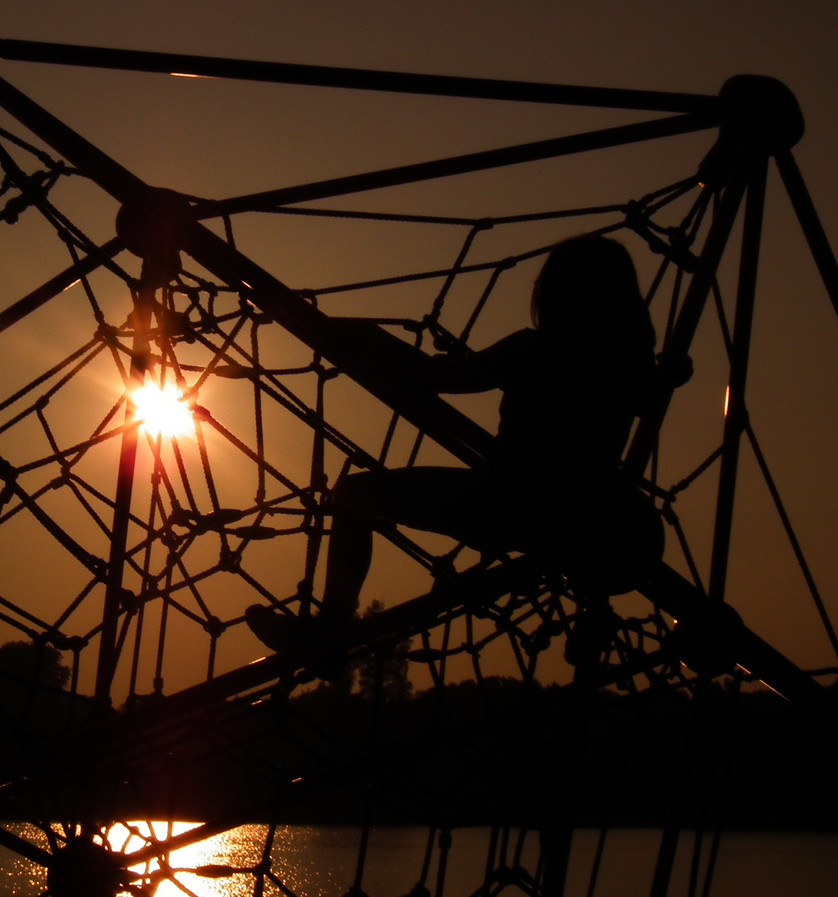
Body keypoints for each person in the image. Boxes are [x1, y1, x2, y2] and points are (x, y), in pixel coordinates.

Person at [246, 233, 683, 652]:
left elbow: (436, 378)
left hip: (503, 502)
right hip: (576, 521)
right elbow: (649, 399)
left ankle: (333, 625)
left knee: (359, 493)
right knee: (365, 494)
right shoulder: (631, 369)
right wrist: (671, 373)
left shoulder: (535, 351)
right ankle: (331, 630)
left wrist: (366, 337)